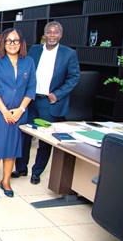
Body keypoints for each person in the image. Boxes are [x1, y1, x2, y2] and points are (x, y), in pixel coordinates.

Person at [12, 21, 80, 184]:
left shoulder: (69, 53)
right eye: (49, 32)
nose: (52, 35)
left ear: (60, 35)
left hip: (49, 102)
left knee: (44, 139)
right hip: (30, 99)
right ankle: (21, 168)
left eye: (55, 32)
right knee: (24, 135)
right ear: (44, 34)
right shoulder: (35, 50)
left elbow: (74, 77)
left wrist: (58, 94)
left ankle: (37, 171)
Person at [0, 28, 36, 199]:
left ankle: (6, 181)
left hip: (18, 113)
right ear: (3, 43)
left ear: (21, 43)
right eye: (8, 41)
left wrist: (20, 110)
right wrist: (4, 110)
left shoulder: (29, 62)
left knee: (11, 149)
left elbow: (31, 88)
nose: (12, 44)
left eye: (16, 40)